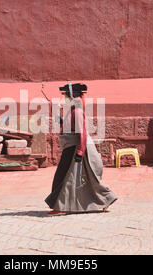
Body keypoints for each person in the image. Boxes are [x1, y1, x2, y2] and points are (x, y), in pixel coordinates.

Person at [45, 83, 117, 215]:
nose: (65, 98)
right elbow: (71, 127)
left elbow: (81, 132)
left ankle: (61, 206)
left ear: (71, 95)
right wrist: (61, 121)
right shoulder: (73, 109)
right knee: (67, 177)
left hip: (77, 148)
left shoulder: (77, 110)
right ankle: (61, 205)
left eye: (65, 95)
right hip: (72, 147)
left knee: (70, 177)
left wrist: (79, 152)